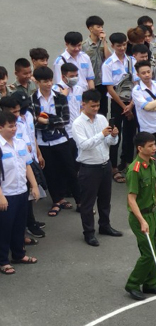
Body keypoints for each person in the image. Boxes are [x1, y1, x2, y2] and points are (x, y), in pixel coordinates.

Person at [72, 90, 123, 246]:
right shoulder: (77, 124)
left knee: (105, 200)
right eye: (92, 106)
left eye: (98, 105)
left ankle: (104, 226)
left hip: (105, 164)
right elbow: (84, 145)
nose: (95, 109)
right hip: (89, 168)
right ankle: (88, 232)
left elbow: (110, 143)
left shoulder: (101, 119)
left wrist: (113, 135)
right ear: (84, 104)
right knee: (88, 203)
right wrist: (102, 134)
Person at [124, 131, 156, 301]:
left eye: (154, 145)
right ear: (140, 148)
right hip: (140, 216)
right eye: (150, 146)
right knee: (148, 253)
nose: (154, 148)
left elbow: (153, 187)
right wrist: (142, 221)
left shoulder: (150, 163)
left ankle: (151, 282)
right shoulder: (134, 170)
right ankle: (133, 284)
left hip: (152, 213)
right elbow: (131, 198)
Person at [32, 66, 81, 217]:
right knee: (51, 172)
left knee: (70, 170)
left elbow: (64, 120)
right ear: (37, 82)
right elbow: (32, 123)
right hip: (43, 142)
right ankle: (57, 200)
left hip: (60, 140)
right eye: (44, 81)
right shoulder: (32, 100)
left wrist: (45, 120)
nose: (48, 84)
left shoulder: (60, 97)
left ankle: (80, 202)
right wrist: (47, 120)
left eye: (50, 80)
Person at [0, 109, 40, 275]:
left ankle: (19, 254)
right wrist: (1, 196)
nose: (14, 129)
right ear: (0, 127)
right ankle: (3, 261)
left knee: (19, 226)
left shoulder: (20, 143)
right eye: (10, 126)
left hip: (21, 191)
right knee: (4, 229)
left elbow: (27, 165)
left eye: (15, 125)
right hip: (6, 194)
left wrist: (35, 185)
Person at [103, 33, 137, 183]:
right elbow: (110, 89)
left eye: (124, 45)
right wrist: (124, 106)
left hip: (132, 101)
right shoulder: (108, 64)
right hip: (118, 103)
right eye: (119, 46)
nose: (122, 48)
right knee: (116, 134)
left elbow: (137, 84)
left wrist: (131, 105)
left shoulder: (132, 61)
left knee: (130, 134)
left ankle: (128, 161)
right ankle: (114, 167)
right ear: (112, 46)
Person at [83, 15, 110, 117]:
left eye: (102, 26)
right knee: (92, 110)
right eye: (98, 26)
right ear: (90, 28)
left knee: (103, 110)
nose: (101, 29)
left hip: (102, 82)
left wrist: (104, 42)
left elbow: (108, 59)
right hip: (90, 83)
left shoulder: (103, 43)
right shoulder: (84, 45)